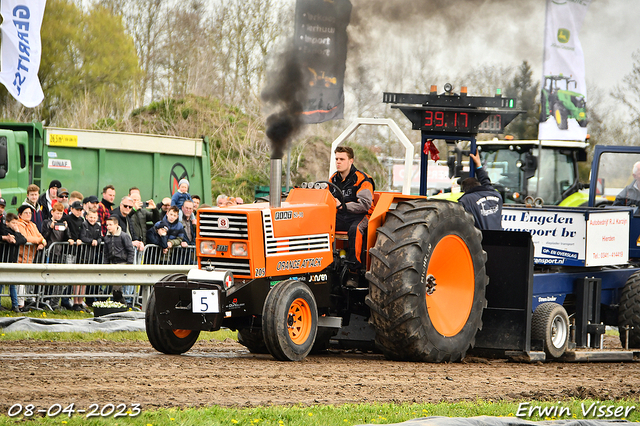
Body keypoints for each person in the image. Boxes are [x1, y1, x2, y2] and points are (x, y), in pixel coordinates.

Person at [329, 146, 375, 287]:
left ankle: (353, 272)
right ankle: (327, 264)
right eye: (336, 159)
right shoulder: (333, 179)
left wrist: (343, 205)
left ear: (351, 161)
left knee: (355, 229)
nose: (338, 162)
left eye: (342, 159)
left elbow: (365, 205)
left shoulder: (362, 179)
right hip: (341, 215)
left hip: (361, 216)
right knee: (321, 226)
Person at [459, 152, 504, 230]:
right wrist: (479, 165)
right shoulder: (496, 195)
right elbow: (486, 182)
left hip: (480, 239)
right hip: (499, 238)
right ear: (478, 184)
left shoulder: (466, 200)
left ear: (465, 190)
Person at [41, 202, 73, 310]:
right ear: (52, 212)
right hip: (48, 253)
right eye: (57, 213)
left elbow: (66, 238)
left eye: (61, 213)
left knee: (58, 280)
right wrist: (50, 228)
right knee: (46, 279)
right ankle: (44, 300)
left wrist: (67, 230)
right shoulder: (46, 222)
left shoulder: (63, 224)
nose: (59, 216)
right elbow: (44, 236)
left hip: (59, 254)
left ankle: (54, 302)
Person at [16, 204, 47, 310]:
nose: (28, 215)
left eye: (30, 213)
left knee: (25, 280)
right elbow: (26, 238)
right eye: (26, 213)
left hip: (30, 257)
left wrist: (42, 242)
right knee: (19, 281)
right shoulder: (19, 224)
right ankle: (20, 305)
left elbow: (41, 237)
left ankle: (26, 302)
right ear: (20, 214)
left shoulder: (33, 225)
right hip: (21, 256)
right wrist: (39, 241)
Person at [103, 216, 135, 304]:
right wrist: (105, 265)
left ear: (116, 225)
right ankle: (118, 303)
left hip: (122, 263)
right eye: (107, 225)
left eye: (110, 225)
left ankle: (121, 303)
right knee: (114, 287)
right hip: (112, 264)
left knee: (116, 287)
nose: (108, 227)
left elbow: (130, 250)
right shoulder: (107, 237)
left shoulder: (124, 236)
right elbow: (106, 253)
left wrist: (129, 264)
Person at [0, 213, 26, 312]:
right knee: (1, 284)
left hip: (12, 260)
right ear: (7, 222)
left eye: (16, 223)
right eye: (13, 223)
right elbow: (12, 240)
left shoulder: (14, 232)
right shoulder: (4, 230)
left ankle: (15, 305)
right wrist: (11, 238)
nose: (15, 225)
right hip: (4, 259)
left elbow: (22, 240)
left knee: (13, 284)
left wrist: (17, 231)